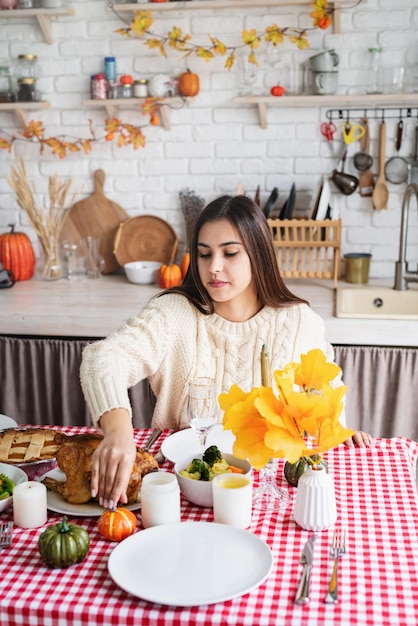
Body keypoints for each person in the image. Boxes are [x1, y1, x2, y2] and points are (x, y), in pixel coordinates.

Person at [80, 194, 371, 509]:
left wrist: (339, 428)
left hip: (267, 492)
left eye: (229, 253)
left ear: (258, 254)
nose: (213, 268)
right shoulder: (172, 313)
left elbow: (327, 392)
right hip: (181, 485)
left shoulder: (299, 322)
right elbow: (101, 359)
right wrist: (118, 433)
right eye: (204, 255)